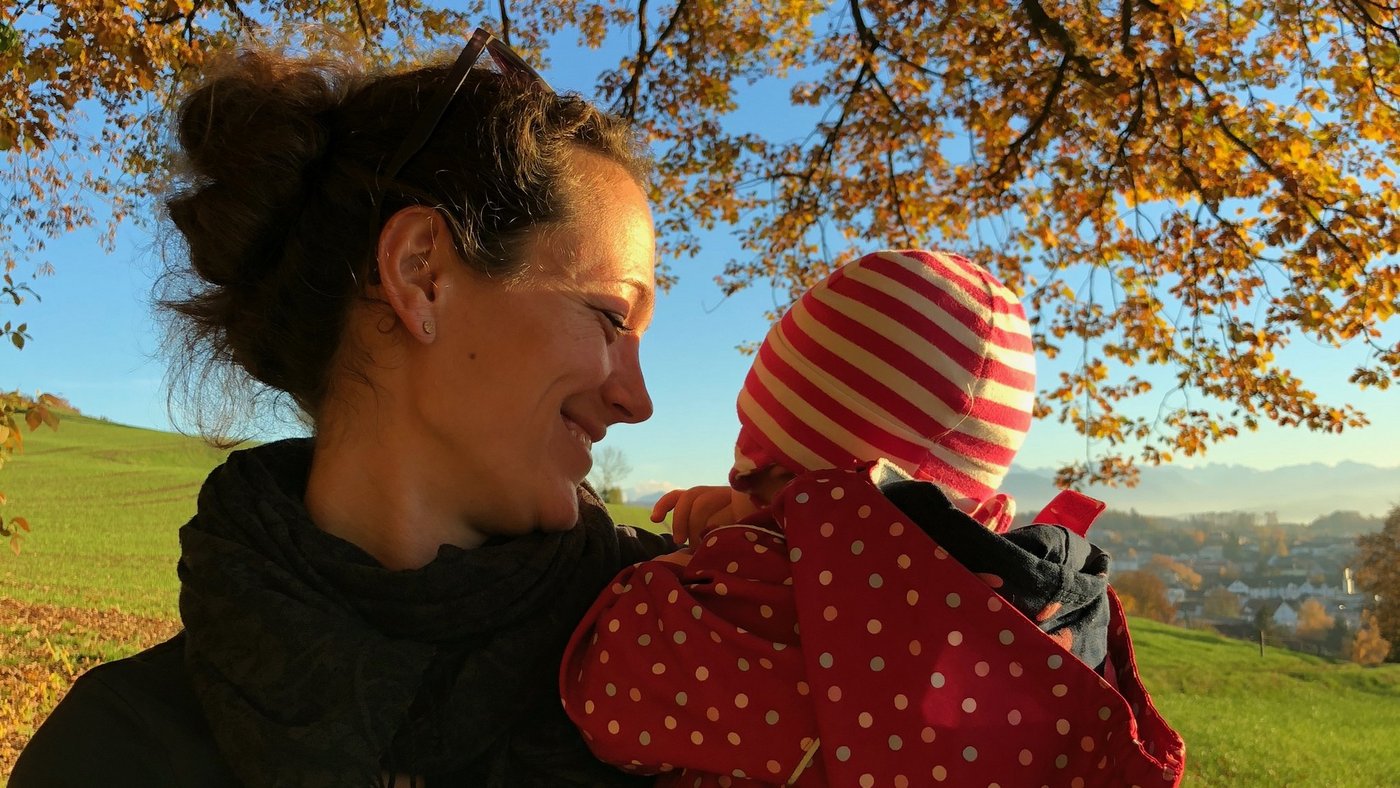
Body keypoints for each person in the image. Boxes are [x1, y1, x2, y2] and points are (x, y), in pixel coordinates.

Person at [12, 28, 676, 788]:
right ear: (421, 273)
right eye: (612, 317)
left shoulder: (714, 655)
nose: (638, 399)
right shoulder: (117, 755)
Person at [560, 250, 1186, 786]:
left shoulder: (759, 595)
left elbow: (605, 694)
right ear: (988, 513)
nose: (735, 480)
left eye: (755, 460)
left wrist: (704, 553)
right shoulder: (1039, 627)